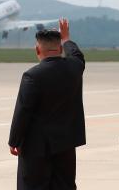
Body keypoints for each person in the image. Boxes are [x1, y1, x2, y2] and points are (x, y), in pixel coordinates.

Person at [8, 19, 86, 190]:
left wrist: (14, 140)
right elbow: (76, 54)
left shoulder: (32, 76)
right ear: (59, 49)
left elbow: (23, 111)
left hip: (36, 148)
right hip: (65, 145)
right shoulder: (75, 68)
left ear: (38, 50)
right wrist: (66, 39)